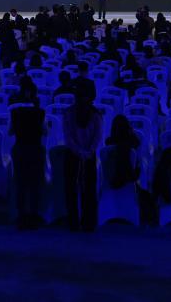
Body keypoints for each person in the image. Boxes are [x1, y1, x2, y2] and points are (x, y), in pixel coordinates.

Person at [62, 83, 103, 231]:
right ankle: (88, 223)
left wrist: (80, 151)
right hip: (87, 155)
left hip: (75, 154)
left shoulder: (69, 112)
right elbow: (97, 137)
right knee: (87, 190)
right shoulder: (96, 114)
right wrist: (87, 152)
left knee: (74, 190)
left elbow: (68, 137)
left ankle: (74, 222)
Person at [10, 82, 46, 229]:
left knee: (21, 183)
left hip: (20, 148)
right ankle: (34, 215)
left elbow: (11, 131)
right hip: (35, 149)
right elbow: (45, 131)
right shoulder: (40, 112)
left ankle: (21, 216)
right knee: (35, 183)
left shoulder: (15, 112)